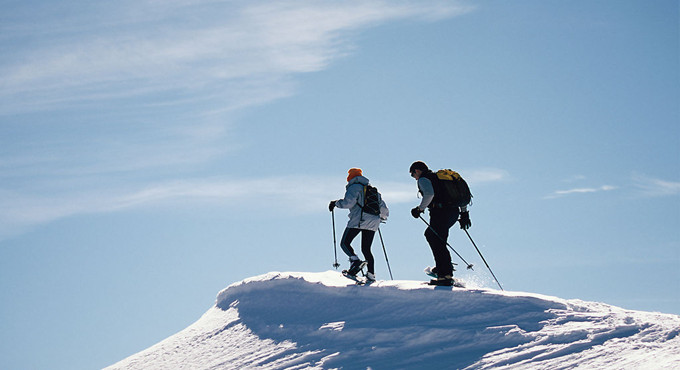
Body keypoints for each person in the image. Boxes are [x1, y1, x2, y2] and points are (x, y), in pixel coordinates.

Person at [409, 161, 471, 286]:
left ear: (417, 171)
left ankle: (445, 274)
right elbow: (458, 196)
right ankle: (443, 268)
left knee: (435, 238)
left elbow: (429, 194)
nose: (414, 177)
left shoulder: (424, 179)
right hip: (453, 212)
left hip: (440, 212)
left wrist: (419, 209)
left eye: (412, 174)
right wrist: (464, 214)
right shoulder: (440, 179)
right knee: (436, 237)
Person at [329, 168, 389, 282]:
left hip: (359, 220)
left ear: (350, 178)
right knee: (366, 249)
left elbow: (348, 203)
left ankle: (355, 261)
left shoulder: (354, 187)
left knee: (345, 243)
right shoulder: (373, 190)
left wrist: (336, 203)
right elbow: (384, 209)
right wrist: (382, 217)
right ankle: (371, 275)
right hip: (373, 221)